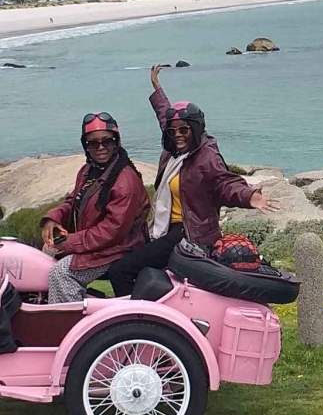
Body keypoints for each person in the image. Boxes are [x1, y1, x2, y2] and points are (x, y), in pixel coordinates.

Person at [106, 66, 280, 296]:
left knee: (121, 271)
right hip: (166, 229)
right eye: (173, 132)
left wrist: (248, 196)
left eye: (184, 130)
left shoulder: (205, 157)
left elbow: (224, 183)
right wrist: (157, 89)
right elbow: (166, 118)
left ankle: (134, 315)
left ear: (195, 129)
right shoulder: (175, 151)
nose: (177, 135)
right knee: (137, 269)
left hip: (188, 234)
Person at [39, 113, 148, 302]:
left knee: (62, 274)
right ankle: (43, 303)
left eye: (107, 141)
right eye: (93, 143)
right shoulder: (88, 171)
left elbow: (112, 231)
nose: (101, 147)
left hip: (118, 249)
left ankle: (69, 319)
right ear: (86, 146)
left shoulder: (125, 182)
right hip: (96, 244)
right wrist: (52, 218)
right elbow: (73, 201)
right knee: (44, 253)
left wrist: (70, 242)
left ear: (116, 142)